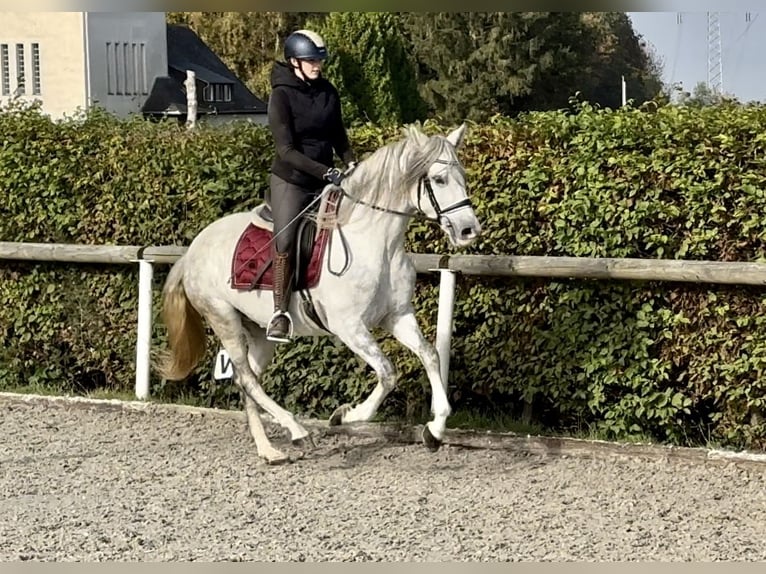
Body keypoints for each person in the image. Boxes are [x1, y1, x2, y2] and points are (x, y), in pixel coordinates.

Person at [265, 29, 356, 343]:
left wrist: (351, 161)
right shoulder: (281, 96)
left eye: (319, 59)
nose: (317, 65)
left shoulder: (328, 91)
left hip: (326, 178)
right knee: (286, 238)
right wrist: (326, 171)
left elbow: (338, 135)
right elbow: (285, 151)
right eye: (311, 60)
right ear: (294, 62)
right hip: (292, 180)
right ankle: (279, 312)